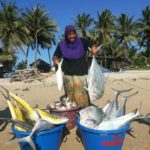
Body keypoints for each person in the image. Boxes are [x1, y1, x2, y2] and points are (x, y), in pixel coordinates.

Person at [53, 25, 97, 108]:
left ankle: (85, 113)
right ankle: (73, 114)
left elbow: (92, 45)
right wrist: (55, 60)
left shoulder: (82, 41)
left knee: (83, 98)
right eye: (69, 34)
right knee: (70, 99)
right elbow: (55, 55)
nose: (72, 36)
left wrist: (94, 48)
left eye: (73, 34)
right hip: (67, 76)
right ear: (66, 35)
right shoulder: (61, 44)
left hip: (81, 76)